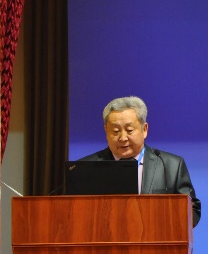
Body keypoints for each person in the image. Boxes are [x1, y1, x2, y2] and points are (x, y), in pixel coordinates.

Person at [80, 96, 201, 227]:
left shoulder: (171, 166)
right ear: (106, 131)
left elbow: (192, 211)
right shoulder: (86, 168)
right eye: (115, 131)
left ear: (144, 129)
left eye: (129, 130)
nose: (123, 138)